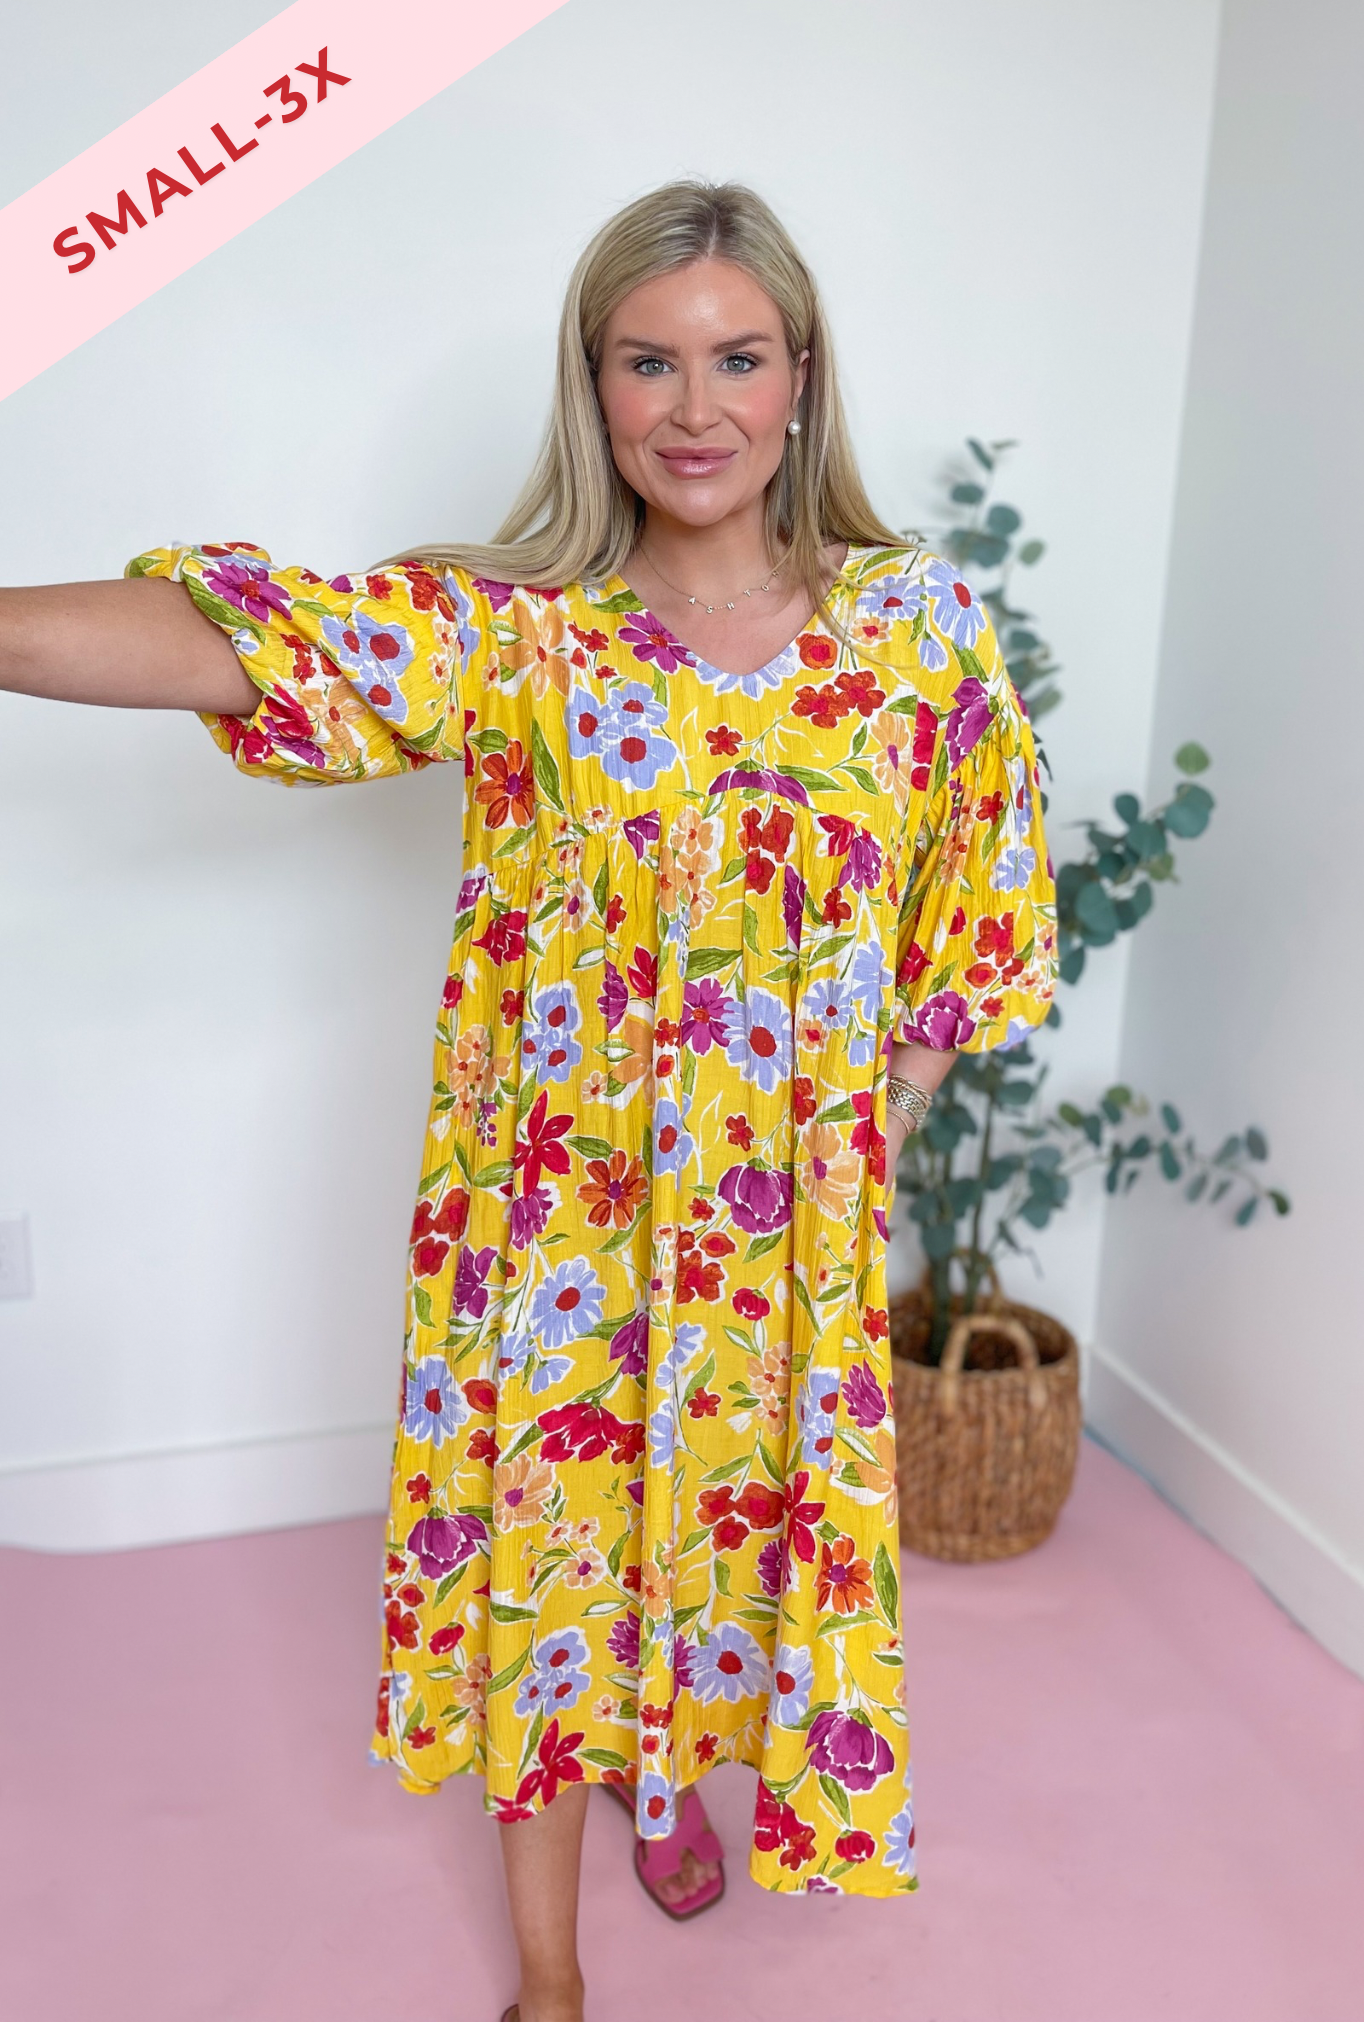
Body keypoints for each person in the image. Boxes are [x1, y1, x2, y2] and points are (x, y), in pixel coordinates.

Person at [0, 179, 1055, 2022]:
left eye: (738, 358)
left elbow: (978, 909)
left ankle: (674, 1771)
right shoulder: (521, 632)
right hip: (556, 1245)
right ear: (594, 387)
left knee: (728, 1560)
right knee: (554, 1590)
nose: (696, 407)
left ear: (803, 377)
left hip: (775, 1253)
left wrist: (875, 1122)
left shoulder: (920, 635)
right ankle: (551, 1980)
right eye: (649, 363)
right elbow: (232, 644)